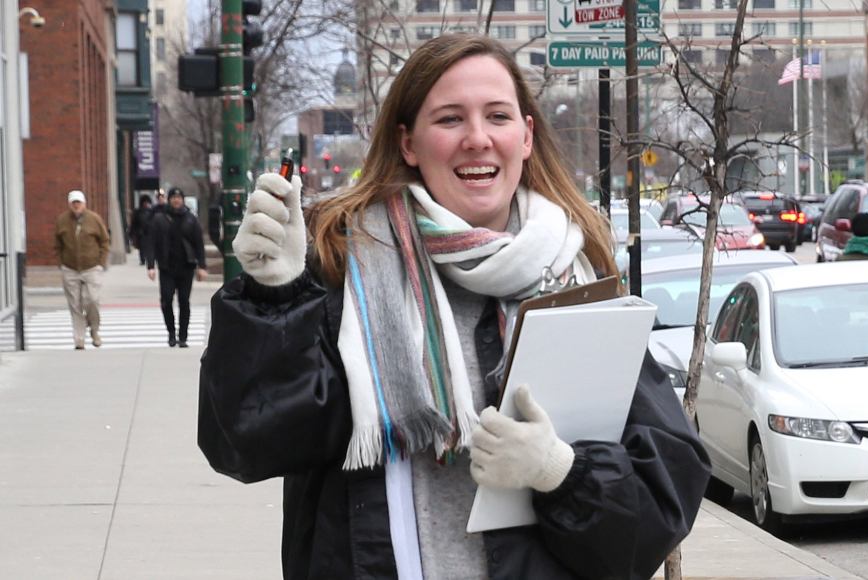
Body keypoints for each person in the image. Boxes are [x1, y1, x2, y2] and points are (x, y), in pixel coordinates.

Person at [198, 34, 710, 580]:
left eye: (497, 116)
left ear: (527, 136)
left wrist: (563, 472)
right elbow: (249, 446)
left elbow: (657, 510)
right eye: (449, 119)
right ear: (408, 143)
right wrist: (275, 298)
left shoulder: (577, 276)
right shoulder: (342, 270)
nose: (478, 138)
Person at [146, 187, 208, 347]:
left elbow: (198, 244)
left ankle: (183, 337)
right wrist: (151, 265)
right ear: (169, 200)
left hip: (186, 266)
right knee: (166, 300)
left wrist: (202, 266)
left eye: (179, 197)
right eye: (173, 197)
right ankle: (171, 333)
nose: (176, 200)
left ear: (183, 200)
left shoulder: (190, 219)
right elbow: (151, 243)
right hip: (167, 266)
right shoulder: (159, 219)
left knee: (184, 302)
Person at [55, 189, 110, 350]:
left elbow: (105, 241)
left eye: (78, 203)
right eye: (73, 203)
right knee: (75, 304)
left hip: (91, 267)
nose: (76, 206)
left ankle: (94, 330)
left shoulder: (94, 219)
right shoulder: (62, 220)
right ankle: (79, 338)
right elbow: (57, 244)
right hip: (70, 268)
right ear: (69, 204)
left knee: (92, 300)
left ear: (84, 204)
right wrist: (61, 263)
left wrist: (101, 262)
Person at [129, 194, 154, 265]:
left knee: (148, 247)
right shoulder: (138, 212)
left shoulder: (151, 211)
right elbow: (134, 223)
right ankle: (142, 259)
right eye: (145, 202)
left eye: (147, 202)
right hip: (141, 232)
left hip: (149, 232)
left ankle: (147, 258)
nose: (146, 204)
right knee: (142, 247)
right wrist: (132, 233)